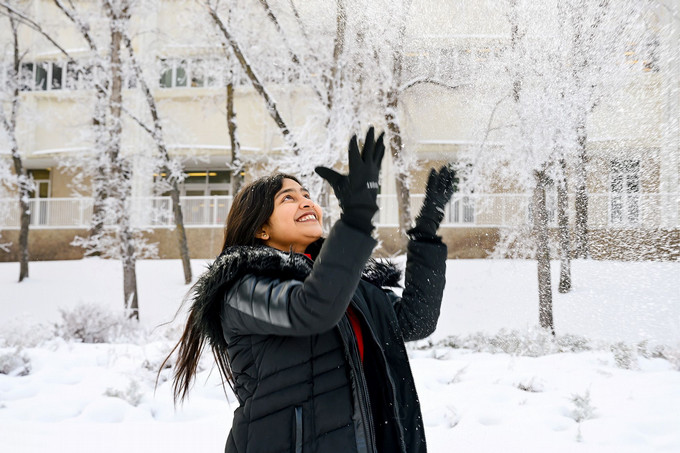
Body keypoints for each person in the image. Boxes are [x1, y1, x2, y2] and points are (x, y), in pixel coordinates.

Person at [165, 127, 456, 453]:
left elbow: (416, 321)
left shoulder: (348, 287)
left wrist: (428, 228)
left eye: (306, 195)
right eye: (288, 198)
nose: (306, 202)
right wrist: (357, 219)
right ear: (261, 228)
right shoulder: (242, 289)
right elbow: (311, 310)